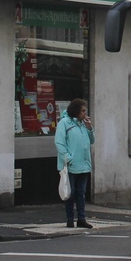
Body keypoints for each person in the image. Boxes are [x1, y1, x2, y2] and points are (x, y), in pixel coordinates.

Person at [56, 98, 95, 229]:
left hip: (84, 164)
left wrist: (90, 128)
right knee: (70, 193)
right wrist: (68, 157)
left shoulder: (83, 124)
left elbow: (92, 141)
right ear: (76, 110)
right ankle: (70, 219)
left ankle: (81, 218)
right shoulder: (65, 123)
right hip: (71, 164)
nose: (85, 113)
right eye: (83, 111)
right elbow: (59, 142)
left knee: (81, 193)